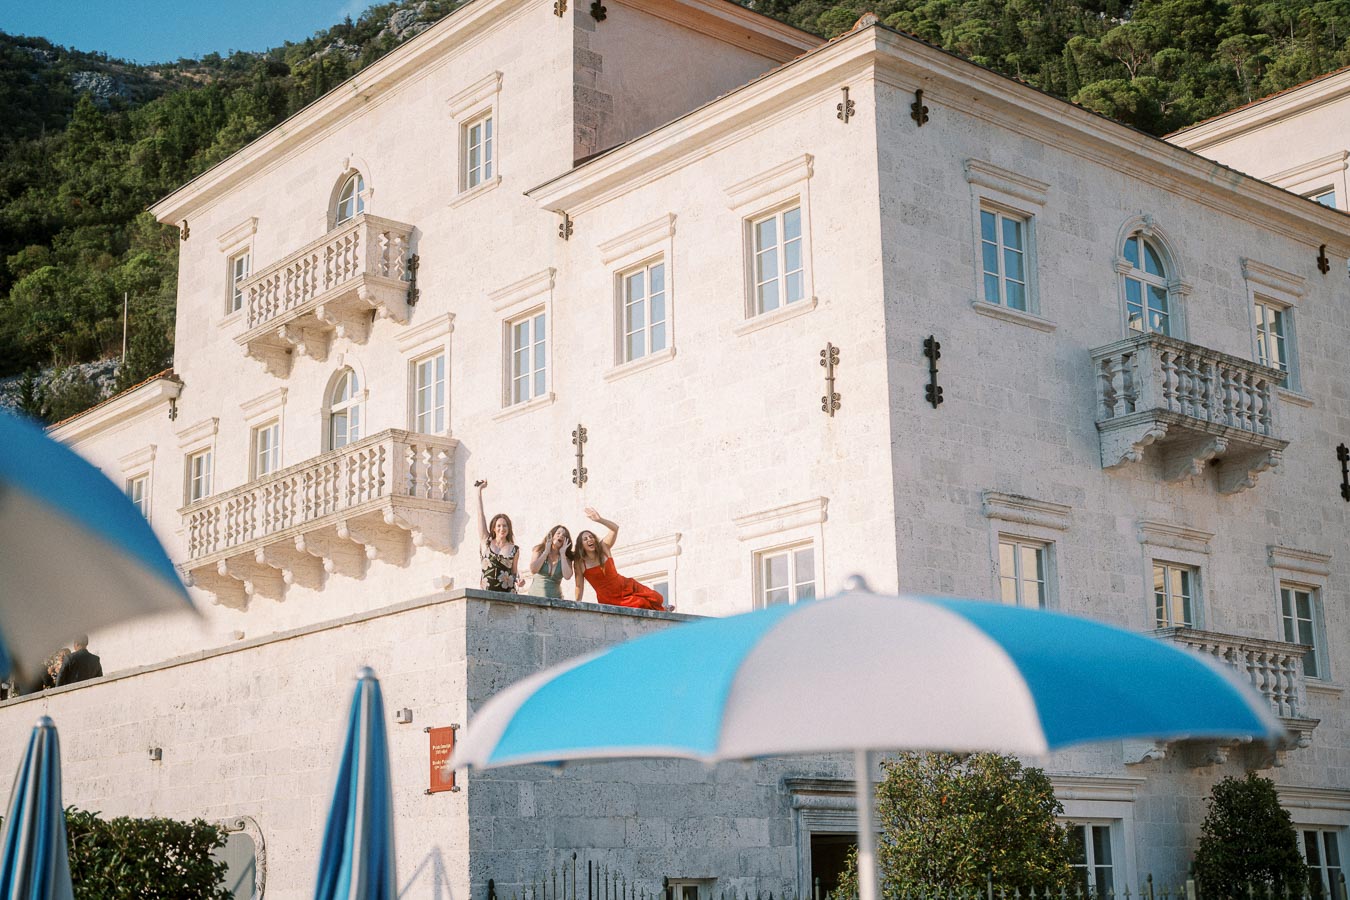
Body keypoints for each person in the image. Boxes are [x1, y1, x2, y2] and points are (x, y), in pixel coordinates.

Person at [570, 507, 669, 610]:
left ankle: (663, 607)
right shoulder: (580, 563)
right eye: (585, 539)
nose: (589, 539)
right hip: (610, 598)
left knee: (656, 597)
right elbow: (579, 586)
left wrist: (600, 520)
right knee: (640, 603)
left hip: (625, 585)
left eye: (591, 537)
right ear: (581, 545)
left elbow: (615, 528)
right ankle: (663, 610)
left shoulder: (604, 547)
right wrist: (577, 605)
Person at [476, 480, 523, 593]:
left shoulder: (514, 549)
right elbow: (480, 515)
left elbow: (514, 572)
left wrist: (519, 580)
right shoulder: (486, 541)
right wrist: (478, 491)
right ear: (493, 528)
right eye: (499, 526)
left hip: (508, 595)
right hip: (487, 594)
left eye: (505, 526)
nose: (502, 529)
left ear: (509, 528)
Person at [529, 525, 574, 600]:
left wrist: (562, 554)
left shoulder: (566, 558)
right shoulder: (539, 550)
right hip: (534, 599)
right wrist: (546, 552)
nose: (561, 536)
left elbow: (567, 576)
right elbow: (533, 570)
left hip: (556, 601)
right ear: (552, 535)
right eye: (558, 533)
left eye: (564, 535)